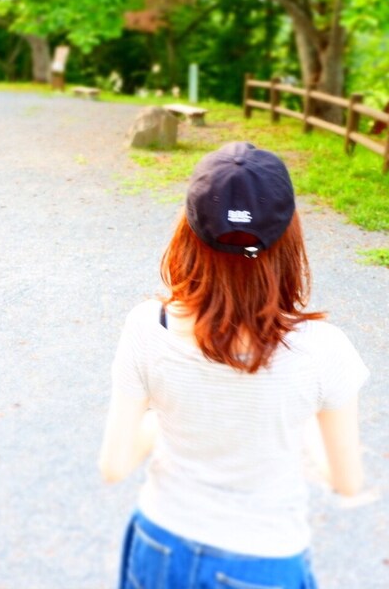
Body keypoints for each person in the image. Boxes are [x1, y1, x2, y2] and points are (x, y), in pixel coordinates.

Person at [99, 142, 369, 589]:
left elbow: (114, 465)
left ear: (188, 231)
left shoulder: (147, 326)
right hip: (261, 561)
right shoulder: (324, 350)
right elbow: (347, 482)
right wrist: (299, 430)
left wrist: (176, 416)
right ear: (289, 237)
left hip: (159, 544)